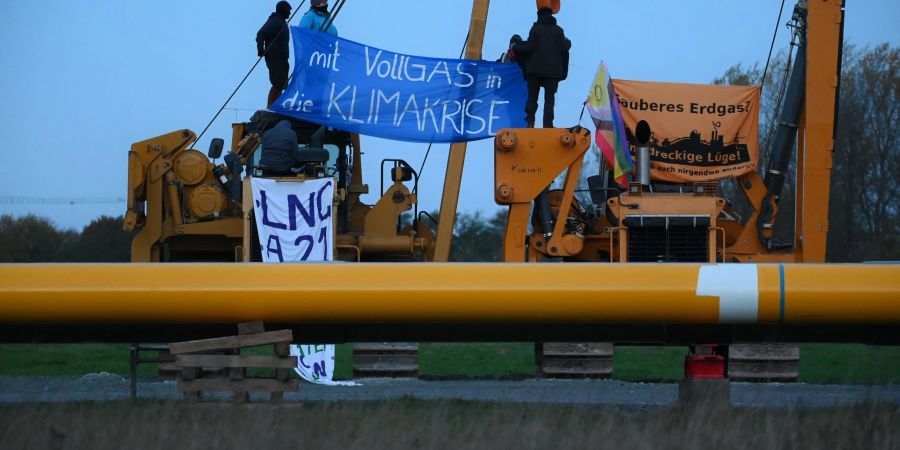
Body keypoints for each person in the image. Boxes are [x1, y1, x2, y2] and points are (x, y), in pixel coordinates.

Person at [513, 7, 571, 128]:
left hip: (534, 70)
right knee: (549, 99)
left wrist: (516, 48)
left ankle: (530, 122)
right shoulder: (558, 31)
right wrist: (568, 42)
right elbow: (565, 48)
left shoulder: (535, 29)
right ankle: (548, 124)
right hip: (553, 72)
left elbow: (529, 47)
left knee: (532, 98)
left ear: (539, 16)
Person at [257, 1, 293, 107]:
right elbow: (261, 34)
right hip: (275, 57)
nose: (289, 13)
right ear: (282, 10)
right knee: (278, 83)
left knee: (283, 84)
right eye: (288, 11)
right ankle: (271, 106)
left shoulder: (281, 21)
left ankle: (277, 105)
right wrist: (260, 48)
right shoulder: (275, 21)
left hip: (282, 58)